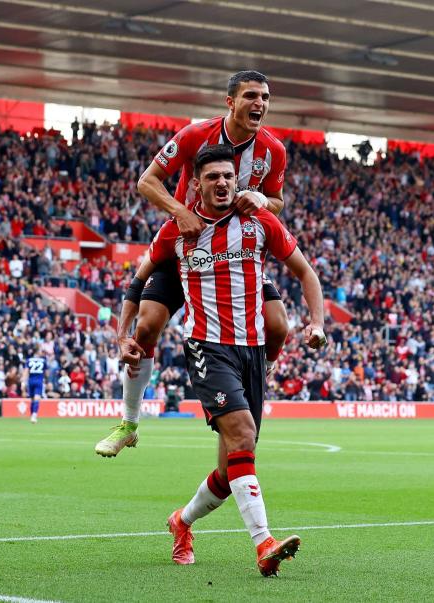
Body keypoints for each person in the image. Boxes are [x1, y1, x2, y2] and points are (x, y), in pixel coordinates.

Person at [113, 144, 327, 575]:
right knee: (243, 433)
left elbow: (306, 272)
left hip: (250, 351)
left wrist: (317, 323)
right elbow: (137, 284)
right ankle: (263, 543)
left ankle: (181, 522)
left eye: (229, 176)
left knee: (231, 471)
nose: (223, 183)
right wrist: (123, 334)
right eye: (213, 177)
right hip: (206, 347)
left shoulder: (260, 221)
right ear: (196, 184)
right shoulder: (177, 230)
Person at [95, 70, 289, 457]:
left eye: (265, 97)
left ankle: (257, 373)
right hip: (186, 245)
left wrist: (263, 202)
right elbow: (147, 181)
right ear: (230, 101)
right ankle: (129, 423)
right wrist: (180, 211)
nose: (260, 104)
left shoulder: (273, 151)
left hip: (234, 253)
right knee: (147, 325)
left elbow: (277, 200)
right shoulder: (193, 135)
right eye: (251, 96)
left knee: (278, 326)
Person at [25, 350, 47, 424]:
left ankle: (32, 416)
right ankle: (34, 415)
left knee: (32, 399)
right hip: (39, 381)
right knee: (37, 398)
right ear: (38, 352)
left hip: (31, 381)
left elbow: (26, 371)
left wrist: (23, 382)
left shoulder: (28, 360)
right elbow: (47, 373)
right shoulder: (43, 361)